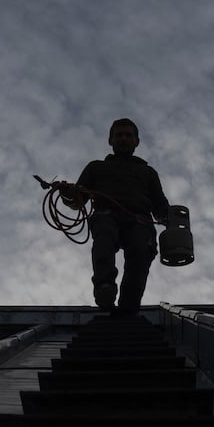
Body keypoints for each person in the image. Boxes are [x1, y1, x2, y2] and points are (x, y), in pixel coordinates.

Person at [57, 118, 171, 314]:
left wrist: (170, 220)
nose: (124, 139)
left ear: (137, 141)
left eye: (128, 135)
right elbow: (78, 200)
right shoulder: (96, 167)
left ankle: (129, 302)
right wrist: (67, 193)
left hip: (139, 220)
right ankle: (104, 288)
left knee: (141, 249)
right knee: (104, 236)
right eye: (119, 135)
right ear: (110, 140)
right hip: (106, 215)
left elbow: (160, 205)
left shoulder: (148, 172)